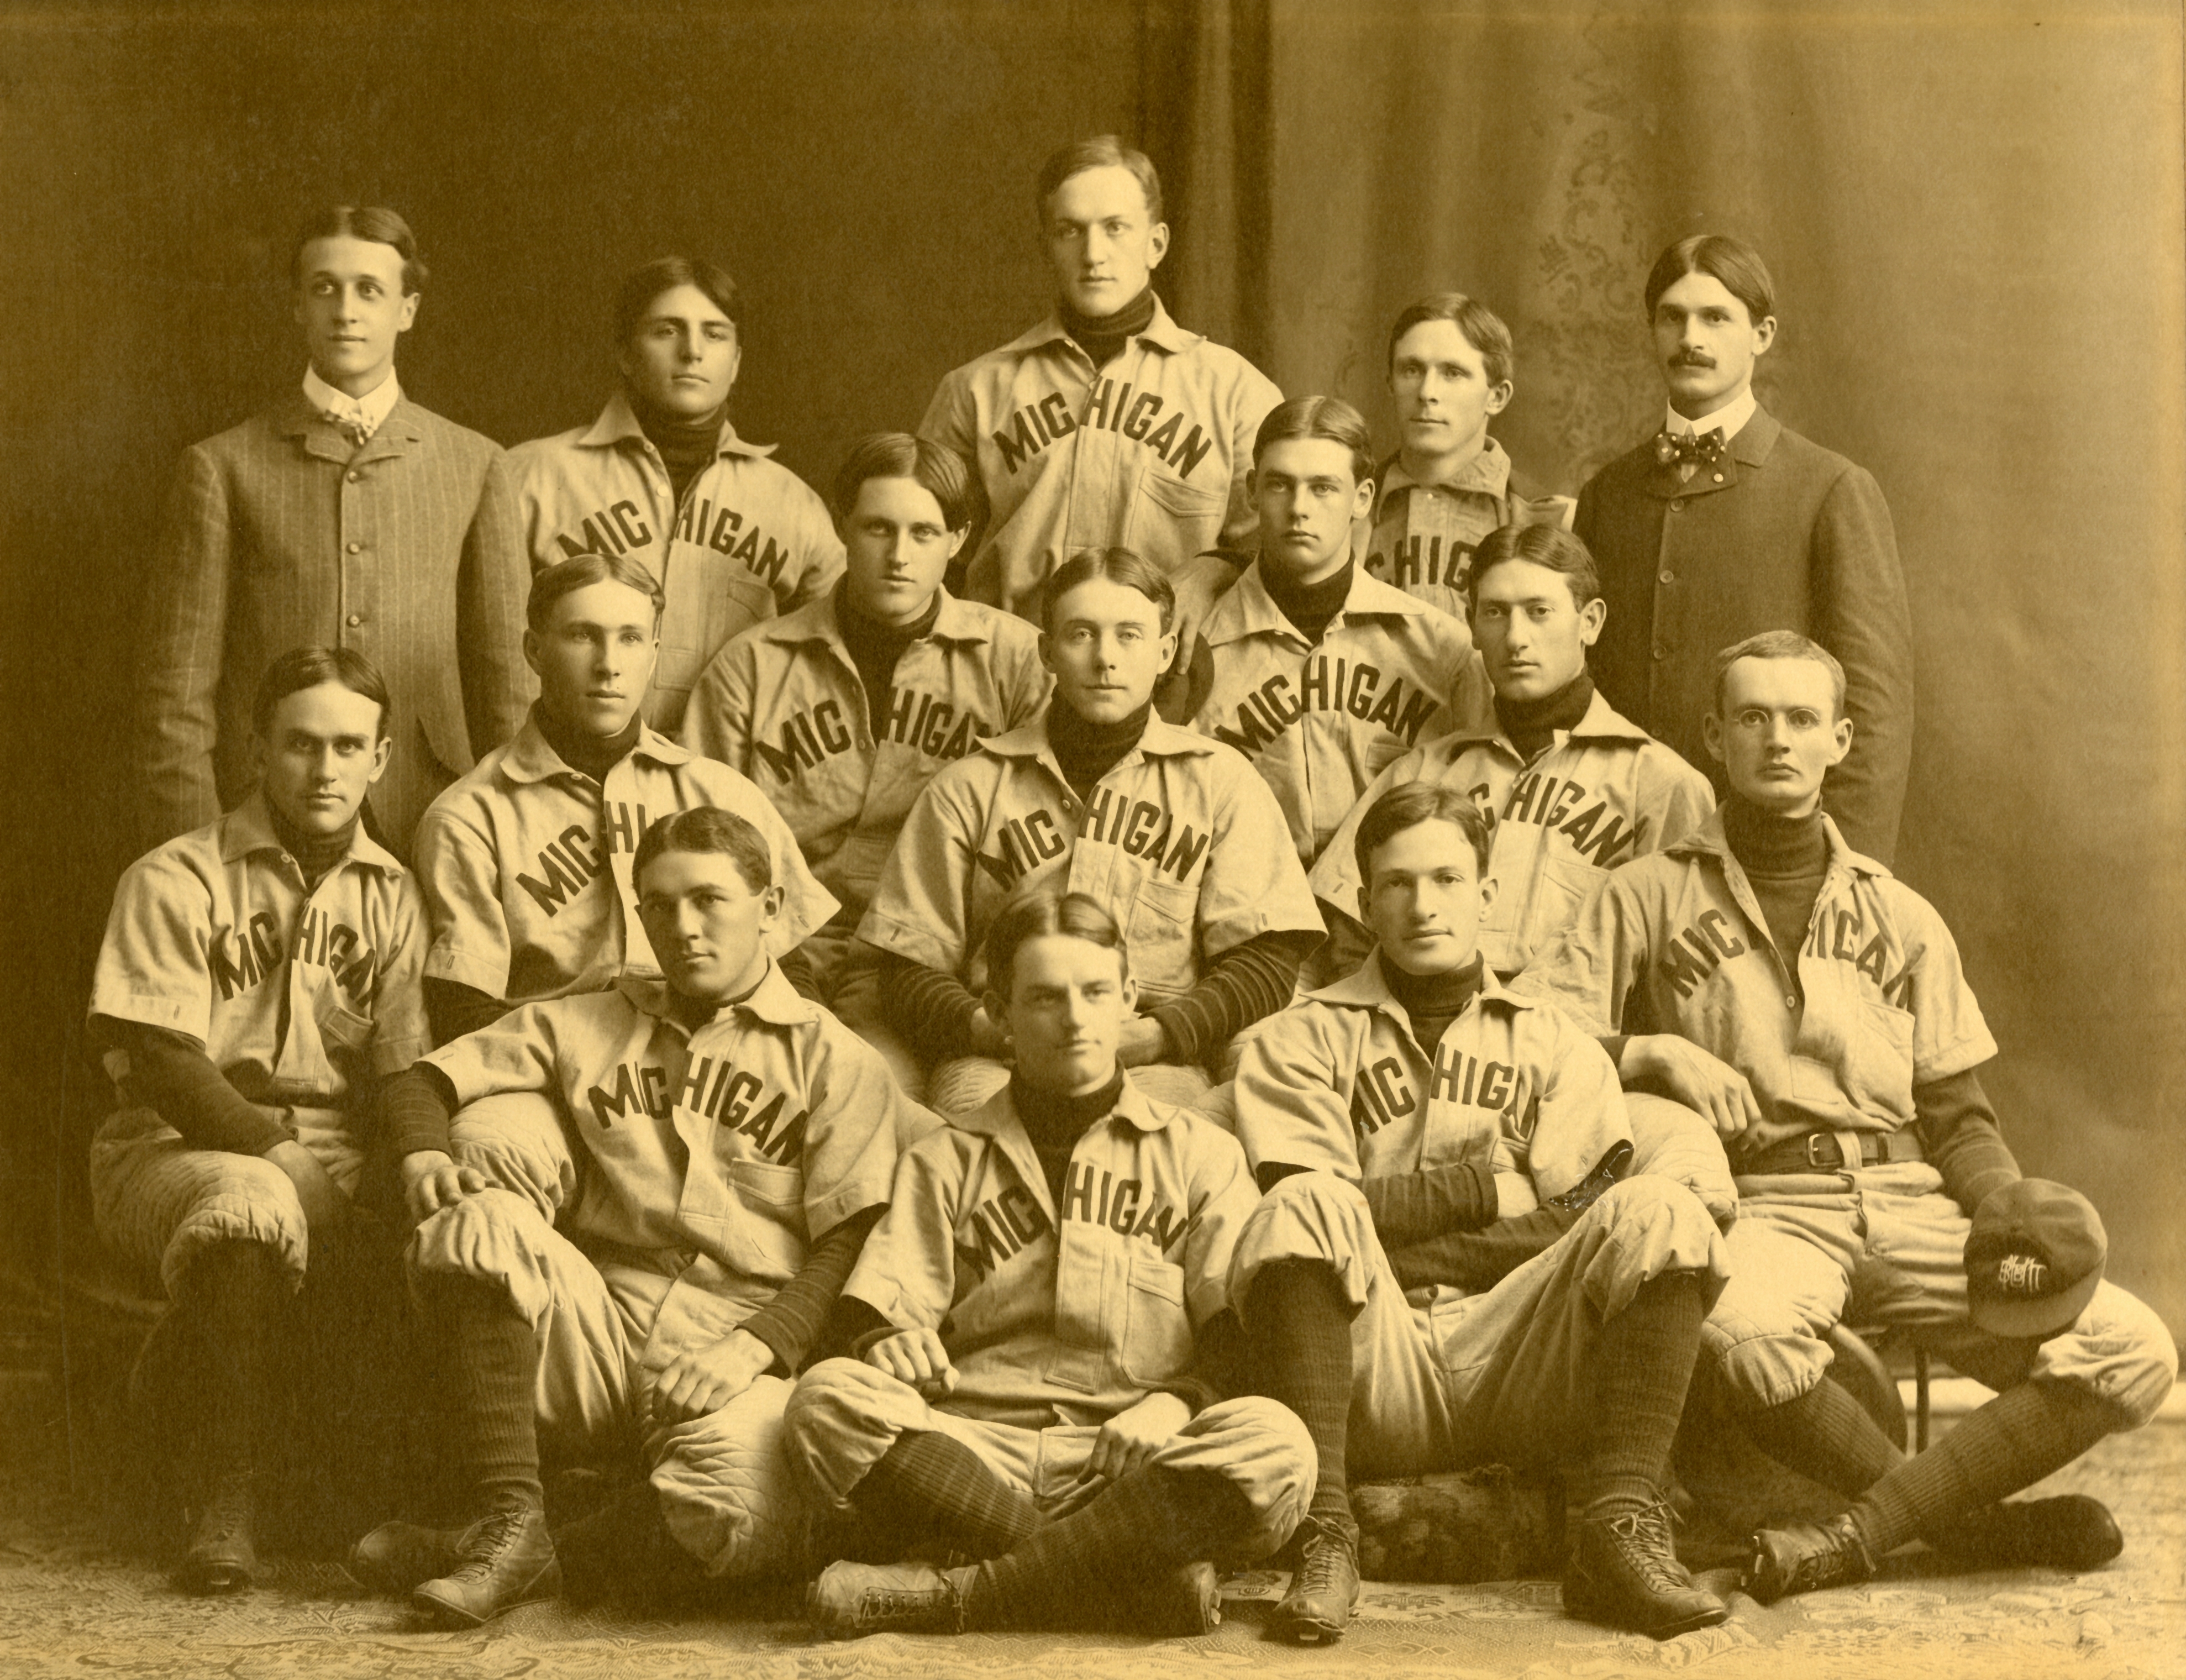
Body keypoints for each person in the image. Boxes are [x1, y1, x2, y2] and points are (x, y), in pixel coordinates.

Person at [1515, 632, 2176, 1602]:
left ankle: (1862, 1536)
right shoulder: (1644, 895)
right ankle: (1966, 1529)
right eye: (1751, 718)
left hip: (1907, 1195)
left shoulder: (1900, 912)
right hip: (1765, 1202)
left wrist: (2000, 1213)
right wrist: (1651, 1052)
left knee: (2136, 1347)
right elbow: (1538, 1042)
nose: (1775, 740)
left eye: (1799, 720)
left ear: (1840, 738)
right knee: (1733, 1336)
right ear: (1714, 736)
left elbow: (1955, 1111)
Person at [348, 807, 922, 1626]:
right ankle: (510, 1515)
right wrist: (423, 1154)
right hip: (600, 1323)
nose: (683, 928)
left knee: (725, 1509)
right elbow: (420, 1080)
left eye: (709, 900)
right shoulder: (591, 1019)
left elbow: (849, 1241)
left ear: (770, 906)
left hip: (739, 1340)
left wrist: (756, 1344)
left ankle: (549, 1547)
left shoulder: (836, 1060)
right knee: (475, 1224)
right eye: (659, 905)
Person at [1227, 783, 1732, 1642]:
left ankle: (1617, 1529)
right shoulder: (1297, 1036)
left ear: (1487, 894)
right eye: (1397, 884)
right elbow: (1324, 1210)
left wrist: (1416, 1239)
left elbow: (1582, 1218)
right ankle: (1326, 1533)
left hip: (1520, 1350)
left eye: (1449, 880)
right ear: (1364, 901)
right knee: (1305, 1204)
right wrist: (1488, 1191)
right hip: (1370, 1361)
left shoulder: (1556, 1039)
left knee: (1659, 1210)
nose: (1424, 906)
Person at [782, 890, 1312, 1639]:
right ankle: (1117, 1584)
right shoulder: (945, 1159)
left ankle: (957, 1596)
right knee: (827, 1399)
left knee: (1276, 1440)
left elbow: (1237, 1335)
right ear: (999, 1013)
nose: (1074, 1019)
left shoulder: (1202, 1156)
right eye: (1044, 997)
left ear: (1130, 998)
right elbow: (869, 1317)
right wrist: (885, 1346)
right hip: (973, 1450)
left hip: (1134, 1459)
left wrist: (1175, 1404)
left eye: (1096, 992)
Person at [88, 648, 430, 1592]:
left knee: (437, 1218)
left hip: (333, 1146)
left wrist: (420, 1168)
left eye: (348, 747)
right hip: (176, 1144)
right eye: (301, 745)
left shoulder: (396, 896)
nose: (325, 771)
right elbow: (162, 1061)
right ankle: (224, 1502)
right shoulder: (175, 875)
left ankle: (332, 1472)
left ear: (383, 759)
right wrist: (283, 1154)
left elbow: (402, 1071)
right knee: (253, 1202)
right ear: (258, 749)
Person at [858, 549, 1325, 1114]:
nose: (1105, 659)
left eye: (1129, 635)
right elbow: (906, 964)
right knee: (972, 1155)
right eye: (1081, 634)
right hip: (996, 1060)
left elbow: (1266, 960)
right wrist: (989, 1029)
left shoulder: (1221, 782)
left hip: (1156, 1062)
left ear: (1164, 652)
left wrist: (1160, 1034)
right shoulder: (970, 787)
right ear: (1046, 652)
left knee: (1159, 1160)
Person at [135, 206, 530, 861]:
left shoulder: (475, 463)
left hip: (431, 811)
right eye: (324, 288)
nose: (345, 310)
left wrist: (506, 838)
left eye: (369, 290)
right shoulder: (222, 466)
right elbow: (175, 695)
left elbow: (510, 684)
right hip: (259, 808)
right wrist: (196, 855)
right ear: (297, 305)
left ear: (407, 309)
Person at [681, 433, 1050, 1096]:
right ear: (840, 524)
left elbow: (1045, 846)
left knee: (897, 1109)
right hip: (780, 956)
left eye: (924, 531)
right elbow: (702, 845)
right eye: (878, 527)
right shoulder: (752, 665)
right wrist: (772, 973)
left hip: (935, 967)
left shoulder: (1016, 661)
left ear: (959, 538)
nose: (899, 555)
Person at [1574, 235, 1912, 862]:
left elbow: (1872, 711)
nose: (1690, 338)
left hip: (1765, 850)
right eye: (1671, 317)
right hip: (1614, 845)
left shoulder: (1829, 489)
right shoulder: (1606, 495)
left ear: (1761, 334)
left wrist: (1844, 873)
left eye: (1715, 317)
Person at [412, 550, 832, 1045]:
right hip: (548, 1073)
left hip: (721, 1060)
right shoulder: (469, 818)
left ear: (653, 653)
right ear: (534, 651)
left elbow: (789, 968)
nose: (609, 665)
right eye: (582, 635)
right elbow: (464, 1013)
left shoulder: (721, 794)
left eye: (630, 639)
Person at [920, 135, 1281, 675]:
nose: (1093, 255)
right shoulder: (975, 390)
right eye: (1070, 231)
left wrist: (1217, 567)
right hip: (1008, 680)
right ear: (1046, 245)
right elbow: (921, 550)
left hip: (1171, 691)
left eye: (1115, 228)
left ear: (1156, 244)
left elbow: (1287, 552)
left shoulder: (1233, 391)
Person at [1312, 522, 1713, 980]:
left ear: (1591, 622)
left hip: (1580, 1042)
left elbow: (1677, 975)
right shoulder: (1424, 772)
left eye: (1539, 611)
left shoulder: (1661, 784)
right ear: (1473, 627)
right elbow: (1344, 932)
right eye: (1496, 613)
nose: (1516, 638)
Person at [509, 256, 844, 735]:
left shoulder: (792, 502)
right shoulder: (533, 475)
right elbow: (492, 650)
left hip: (732, 781)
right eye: (667, 331)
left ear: (736, 362)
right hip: (565, 770)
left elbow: (838, 655)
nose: (692, 352)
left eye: (715, 334)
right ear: (625, 352)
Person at [1171, 396, 1489, 870]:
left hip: (1390, 920)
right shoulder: (1192, 644)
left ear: (1362, 498)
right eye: (1280, 485)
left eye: (1323, 488)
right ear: (1253, 490)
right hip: (1242, 915)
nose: (1299, 509)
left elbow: (1479, 813)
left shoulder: (1441, 649)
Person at [1362, 293, 1574, 615]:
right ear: (1390, 383)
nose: (1427, 393)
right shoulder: (1350, 507)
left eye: (1453, 373)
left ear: (1497, 396)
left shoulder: (1544, 519)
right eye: (1412, 370)